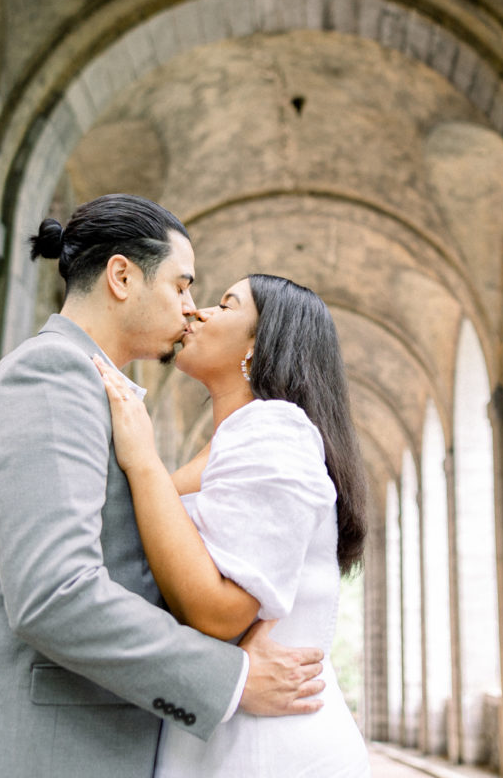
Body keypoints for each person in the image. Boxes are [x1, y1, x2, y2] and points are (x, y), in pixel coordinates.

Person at [0, 196, 327, 778]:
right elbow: (56, 594)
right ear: (122, 276)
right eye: (182, 285)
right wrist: (228, 676)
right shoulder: (51, 375)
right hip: (32, 754)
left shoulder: (95, 388)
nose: (189, 307)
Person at [93, 273, 371, 777]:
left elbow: (219, 612)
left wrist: (142, 460)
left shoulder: (274, 429)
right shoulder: (232, 441)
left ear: (259, 344)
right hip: (219, 733)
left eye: (226, 304)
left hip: (268, 748)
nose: (198, 311)